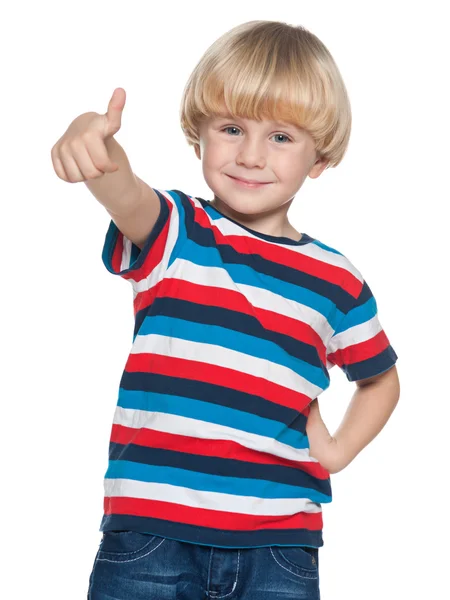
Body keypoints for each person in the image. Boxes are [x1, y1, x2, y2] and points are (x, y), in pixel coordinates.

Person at [51, 19, 400, 600]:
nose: (252, 155)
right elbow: (123, 190)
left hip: (279, 547)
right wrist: (92, 139)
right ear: (200, 134)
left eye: (282, 137)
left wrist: (337, 451)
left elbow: (381, 380)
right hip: (151, 536)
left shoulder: (337, 280)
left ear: (320, 157)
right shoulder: (177, 232)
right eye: (232, 128)